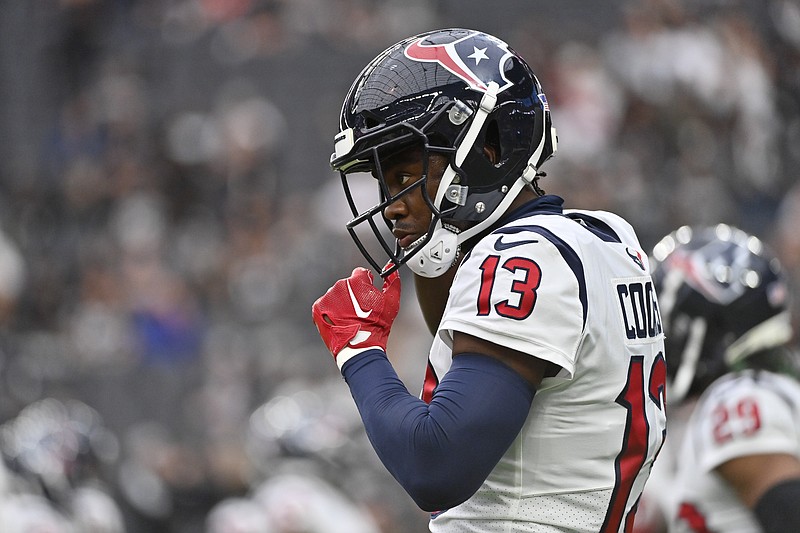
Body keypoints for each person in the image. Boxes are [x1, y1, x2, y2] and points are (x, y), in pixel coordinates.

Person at [311, 28, 667, 532]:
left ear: (490, 150)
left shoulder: (525, 255)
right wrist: (435, 254)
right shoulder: (608, 237)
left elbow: (435, 466)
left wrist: (359, 351)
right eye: (386, 183)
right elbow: (473, 357)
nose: (392, 205)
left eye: (408, 173)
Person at [649, 223, 800, 533]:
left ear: (711, 323)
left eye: (673, 325)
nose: (666, 339)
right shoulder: (770, 387)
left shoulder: (736, 399)